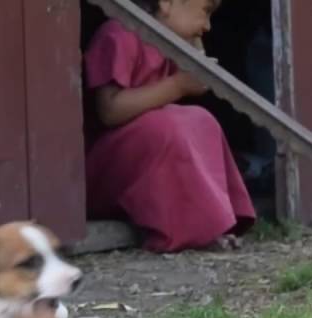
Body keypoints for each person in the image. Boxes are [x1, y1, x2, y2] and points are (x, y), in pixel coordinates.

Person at [84, 0, 256, 254]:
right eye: (205, 12)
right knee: (166, 127)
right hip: (103, 172)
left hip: (145, 155)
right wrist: (177, 86)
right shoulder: (119, 34)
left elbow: (196, 62)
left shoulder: (165, 42)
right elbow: (109, 111)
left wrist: (193, 41)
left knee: (200, 120)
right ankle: (194, 232)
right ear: (165, 3)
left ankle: (215, 222)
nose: (208, 26)